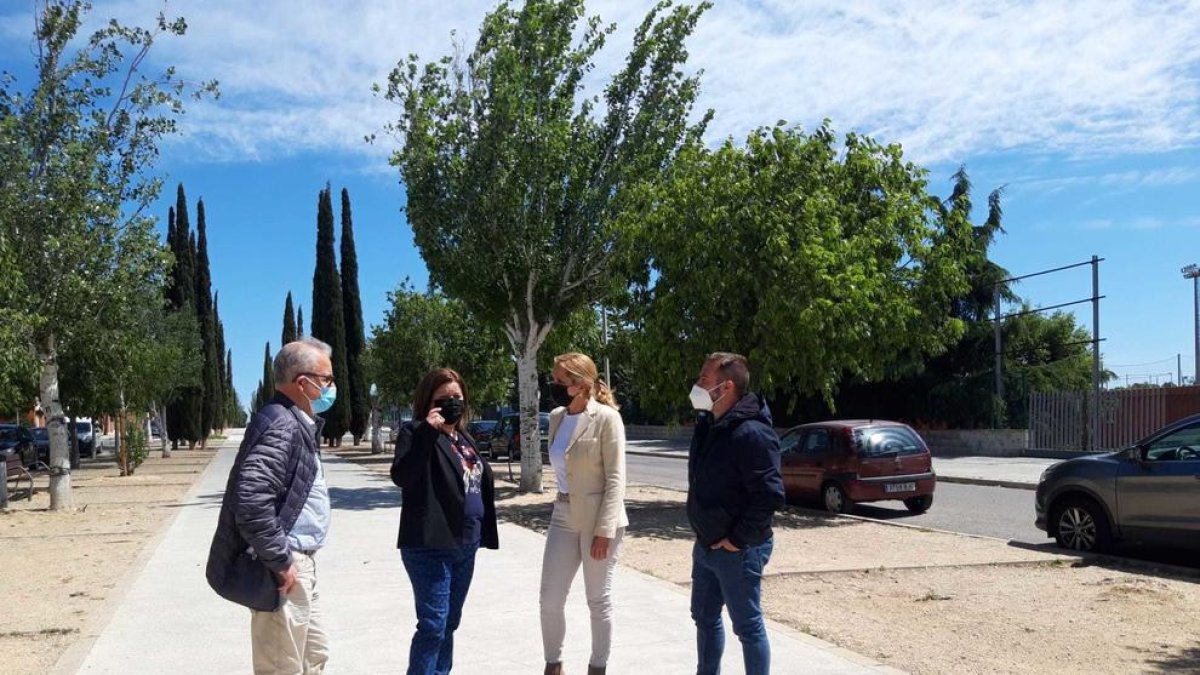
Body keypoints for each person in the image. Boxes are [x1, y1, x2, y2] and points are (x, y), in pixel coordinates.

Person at [206, 338, 336, 675]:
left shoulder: (296, 422)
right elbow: (249, 498)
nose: (331, 387)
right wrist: (280, 561)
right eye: (326, 380)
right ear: (302, 382)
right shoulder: (282, 422)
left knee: (313, 657)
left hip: (299, 562)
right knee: (282, 666)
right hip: (284, 565)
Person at [391, 368, 499, 675]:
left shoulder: (463, 437)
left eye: (457, 398)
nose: (452, 403)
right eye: (444, 399)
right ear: (428, 401)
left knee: (449, 623)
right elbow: (402, 476)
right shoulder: (415, 432)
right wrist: (427, 431)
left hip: (466, 544)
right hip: (430, 546)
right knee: (433, 626)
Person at [686, 352, 785, 675]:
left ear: (726, 387)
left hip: (738, 551)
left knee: (747, 627)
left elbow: (769, 495)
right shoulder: (708, 425)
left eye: (704, 379)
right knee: (705, 617)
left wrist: (736, 540)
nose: (697, 385)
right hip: (705, 546)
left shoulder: (752, 433)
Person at [540, 352, 628, 675]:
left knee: (597, 598)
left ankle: (598, 667)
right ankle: (554, 664)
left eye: (560, 379)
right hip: (562, 513)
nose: (554, 384)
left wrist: (605, 529)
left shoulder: (606, 418)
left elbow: (616, 478)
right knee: (549, 598)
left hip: (598, 519)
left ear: (581, 383)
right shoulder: (556, 417)